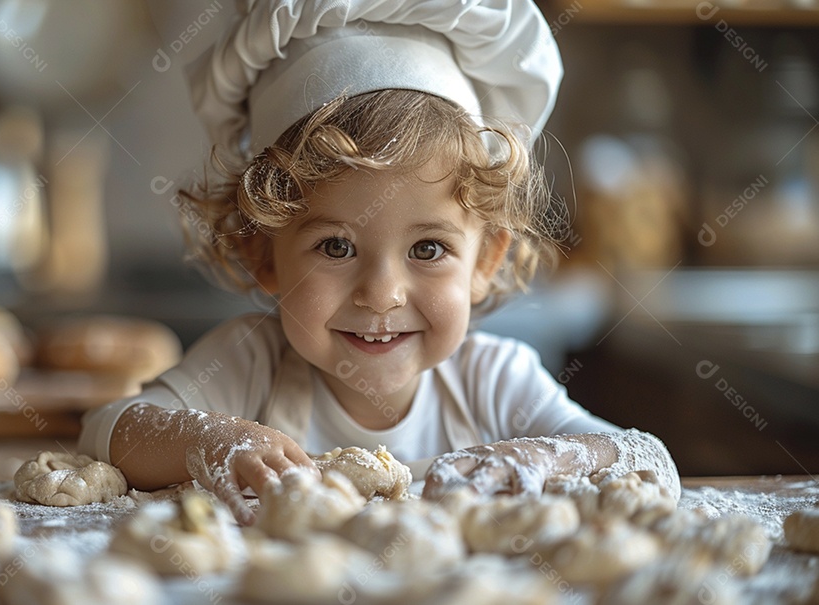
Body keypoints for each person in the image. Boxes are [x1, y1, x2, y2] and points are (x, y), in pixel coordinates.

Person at [79, 0, 680, 525]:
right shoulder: (249, 367)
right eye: (336, 246)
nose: (382, 293)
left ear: (485, 258)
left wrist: (545, 457)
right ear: (264, 253)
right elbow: (108, 428)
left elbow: (647, 460)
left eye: (428, 249)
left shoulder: (492, 384)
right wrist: (211, 440)